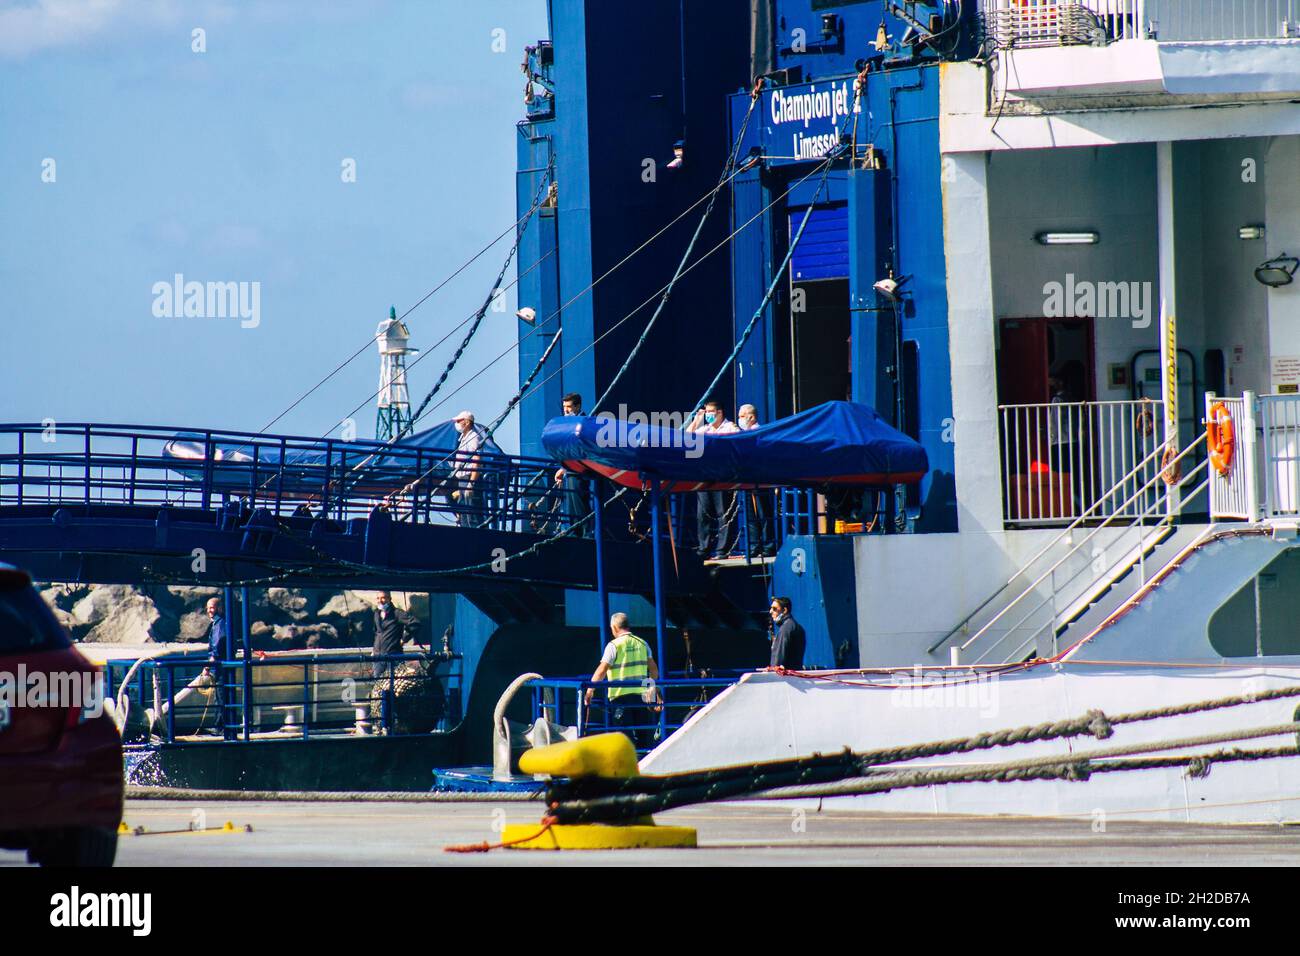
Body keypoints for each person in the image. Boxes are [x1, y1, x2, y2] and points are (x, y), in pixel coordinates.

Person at [584, 612, 663, 750]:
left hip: (620, 699)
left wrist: (590, 690)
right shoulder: (642, 643)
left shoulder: (613, 646)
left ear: (614, 627)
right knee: (643, 736)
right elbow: (654, 670)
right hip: (641, 698)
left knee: (624, 738)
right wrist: (652, 690)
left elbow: (602, 670)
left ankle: (629, 767)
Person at [686, 398, 740, 559]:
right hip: (704, 476)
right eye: (706, 412)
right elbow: (687, 438)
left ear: (719, 413)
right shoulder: (705, 429)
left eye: (710, 412)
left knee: (723, 512)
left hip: (722, 476)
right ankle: (704, 548)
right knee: (702, 514)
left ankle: (722, 549)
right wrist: (696, 421)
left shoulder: (730, 427)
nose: (708, 415)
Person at [737, 404, 774, 557]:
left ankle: (768, 546)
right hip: (747, 480)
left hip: (760, 480)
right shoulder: (742, 434)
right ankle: (753, 546)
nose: (739, 419)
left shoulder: (760, 433)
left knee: (763, 513)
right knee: (751, 516)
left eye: (741, 416)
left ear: (751, 417)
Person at [553, 392, 591, 538]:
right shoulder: (568, 423)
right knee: (572, 507)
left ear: (578, 406)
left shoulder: (583, 422)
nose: (566, 410)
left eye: (569, 407)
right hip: (570, 470)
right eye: (564, 407)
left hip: (579, 470)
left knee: (580, 503)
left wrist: (564, 468)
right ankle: (576, 533)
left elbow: (579, 449)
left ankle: (586, 535)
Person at [200, 597, 236, 738]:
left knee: (221, 697)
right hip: (221, 667)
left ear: (219, 608)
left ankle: (221, 728)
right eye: (208, 607)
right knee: (220, 697)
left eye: (212, 607)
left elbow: (217, 644)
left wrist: (208, 666)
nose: (209, 610)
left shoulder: (220, 624)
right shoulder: (219, 623)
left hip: (220, 667)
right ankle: (221, 726)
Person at [451, 410, 483, 526]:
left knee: (471, 511)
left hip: (469, 477)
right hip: (463, 478)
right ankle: (466, 529)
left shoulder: (473, 437)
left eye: (459, 421)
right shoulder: (463, 438)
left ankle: (474, 534)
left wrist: (471, 483)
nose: (457, 423)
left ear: (467, 422)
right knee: (464, 510)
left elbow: (477, 459)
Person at [767, 596, 805, 670]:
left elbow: (778, 658)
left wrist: (774, 669)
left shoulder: (785, 629)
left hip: (784, 677)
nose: (770, 611)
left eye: (774, 609)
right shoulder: (796, 626)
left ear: (784, 610)